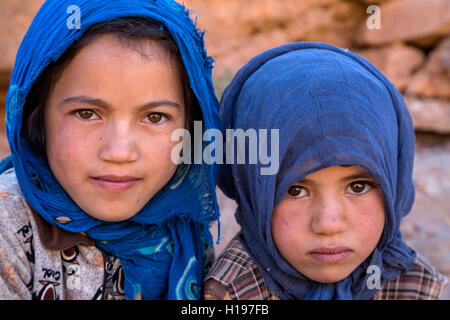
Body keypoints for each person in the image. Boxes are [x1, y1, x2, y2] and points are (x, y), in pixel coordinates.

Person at [0, 0, 221, 300]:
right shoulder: (8, 228)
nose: (119, 152)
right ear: (36, 117)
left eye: (154, 117)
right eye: (87, 113)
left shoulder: (185, 229)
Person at [204, 42, 447, 300]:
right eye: (295, 190)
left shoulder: (408, 280)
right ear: (251, 189)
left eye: (357, 186)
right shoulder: (230, 293)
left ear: (394, 185)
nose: (329, 224)